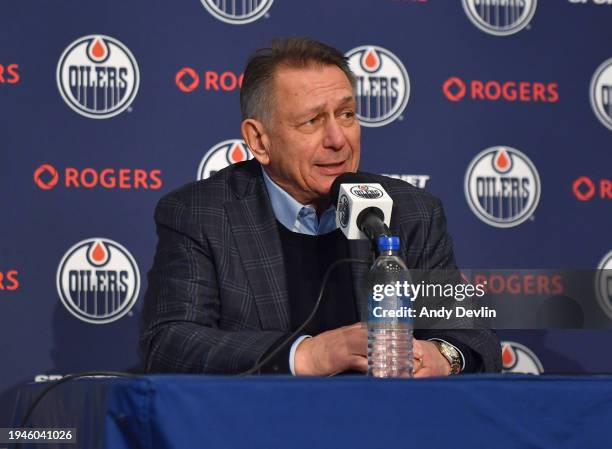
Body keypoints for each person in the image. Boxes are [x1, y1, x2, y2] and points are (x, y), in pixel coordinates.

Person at [139, 37, 501, 376]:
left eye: (346, 115)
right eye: (312, 121)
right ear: (259, 140)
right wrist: (308, 354)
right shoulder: (202, 215)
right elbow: (169, 342)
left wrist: (442, 356)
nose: (338, 139)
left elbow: (473, 334)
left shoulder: (410, 212)